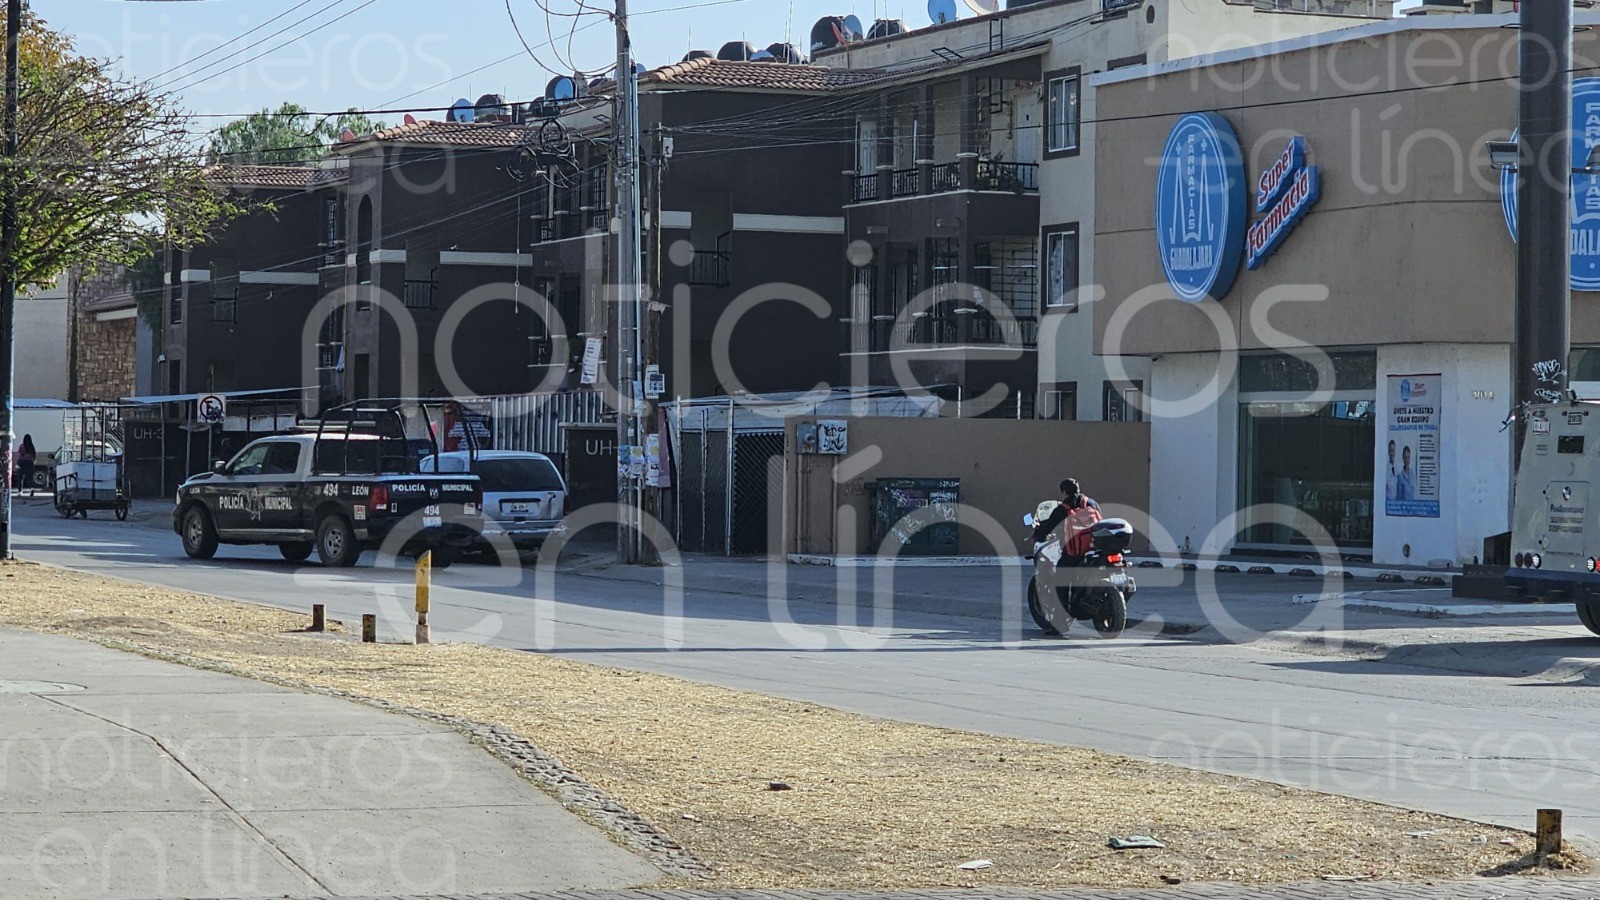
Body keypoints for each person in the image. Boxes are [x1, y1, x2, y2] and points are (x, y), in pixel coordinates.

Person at [1031, 477, 1102, 561]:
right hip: (1094, 547)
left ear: (1064, 492)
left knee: (1062, 571)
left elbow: (1048, 527)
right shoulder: (1092, 503)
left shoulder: (1063, 509)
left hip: (1073, 552)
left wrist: (1039, 534)